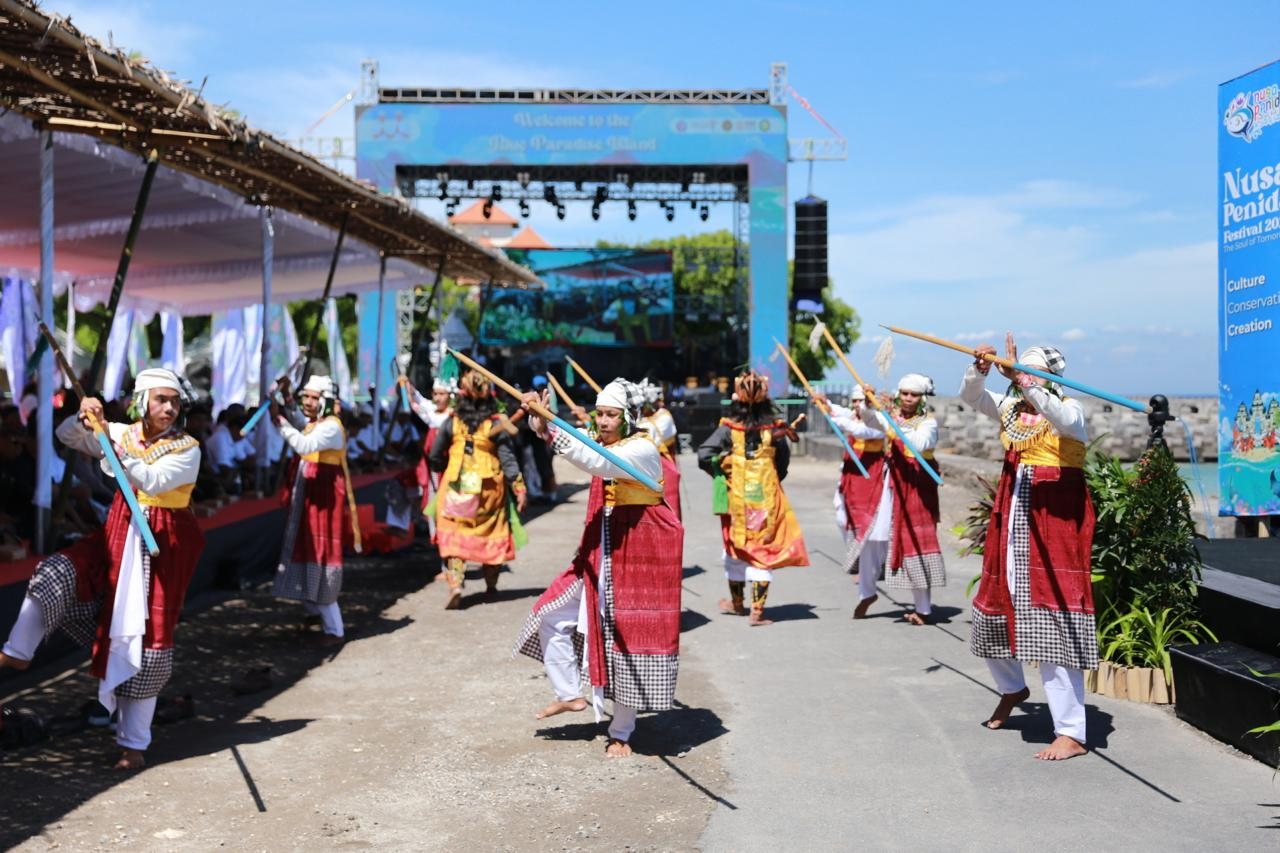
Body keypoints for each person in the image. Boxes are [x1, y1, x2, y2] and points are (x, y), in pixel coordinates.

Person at [0, 368, 205, 770]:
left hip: (163, 544)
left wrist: (110, 441)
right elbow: (67, 438)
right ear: (142, 401)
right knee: (57, 573)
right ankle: (16, 653)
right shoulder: (126, 434)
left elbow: (149, 478)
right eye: (161, 399)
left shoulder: (188, 448)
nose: (169, 407)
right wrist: (84, 417)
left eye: (175, 401)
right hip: (117, 531)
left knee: (149, 644)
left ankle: (133, 745)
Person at [514, 378, 683, 757]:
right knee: (551, 614)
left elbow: (593, 459)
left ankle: (621, 731)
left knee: (626, 638)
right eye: (600, 414)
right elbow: (579, 441)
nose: (603, 421)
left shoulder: (640, 448)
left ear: (627, 418)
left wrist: (553, 423)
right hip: (598, 548)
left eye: (611, 415)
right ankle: (568, 694)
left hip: (636, 552)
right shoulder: (601, 438)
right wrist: (542, 421)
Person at [961, 336, 1096, 761]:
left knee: (1054, 618)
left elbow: (1058, 415)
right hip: (1013, 517)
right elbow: (971, 397)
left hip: (1054, 521)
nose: (1022, 382)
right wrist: (980, 368)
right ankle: (1012, 688)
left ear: (1050, 378)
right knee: (995, 606)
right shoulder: (1011, 408)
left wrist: (1025, 377)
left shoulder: (1070, 411)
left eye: (1034, 376)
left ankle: (1071, 731)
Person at [697, 369, 808, 626]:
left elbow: (704, 454)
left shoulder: (728, 429)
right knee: (763, 549)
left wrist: (722, 467)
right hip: (767, 498)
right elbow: (783, 462)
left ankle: (738, 604)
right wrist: (772, 478)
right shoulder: (774, 429)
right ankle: (757, 610)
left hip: (736, 500)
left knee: (736, 548)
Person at [841, 374, 946, 624]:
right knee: (871, 536)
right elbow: (870, 420)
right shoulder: (890, 416)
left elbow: (919, 443)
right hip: (888, 484)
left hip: (917, 487)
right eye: (905, 394)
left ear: (922, 398)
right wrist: (868, 403)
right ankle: (867, 591)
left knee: (915, 542)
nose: (908, 399)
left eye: (914, 395)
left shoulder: (928, 423)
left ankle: (923, 608)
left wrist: (894, 422)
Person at [428, 370, 526, 608]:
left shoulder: (452, 422)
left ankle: (456, 584)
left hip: (457, 486)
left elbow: (434, 454)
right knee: (491, 533)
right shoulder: (496, 423)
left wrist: (442, 465)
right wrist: (519, 486)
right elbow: (507, 457)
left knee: (454, 533)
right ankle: (491, 585)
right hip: (489, 490)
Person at [269, 374, 352, 645]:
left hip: (323, 499)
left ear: (326, 401)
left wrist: (279, 419)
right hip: (309, 496)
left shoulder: (331, 427)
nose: (307, 402)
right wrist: (286, 396)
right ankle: (312, 611)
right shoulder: (318, 423)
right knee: (305, 548)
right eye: (305, 397)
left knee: (321, 552)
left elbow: (303, 444)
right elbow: (300, 424)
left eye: (313, 398)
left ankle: (334, 628)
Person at [815, 386, 886, 551]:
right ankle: (853, 550)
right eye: (854, 401)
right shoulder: (853, 415)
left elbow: (859, 431)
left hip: (870, 471)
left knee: (868, 512)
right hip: (850, 469)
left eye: (860, 401)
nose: (857, 405)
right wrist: (826, 403)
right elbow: (840, 412)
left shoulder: (879, 419)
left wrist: (831, 415)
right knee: (841, 510)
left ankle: (871, 554)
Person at [402, 375, 454, 518]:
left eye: (442, 394)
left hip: (451, 465)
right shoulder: (431, 411)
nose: (437, 398)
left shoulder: (455, 415)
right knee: (433, 495)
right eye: (435, 394)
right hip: (433, 464)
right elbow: (417, 399)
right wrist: (407, 383)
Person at [638, 379, 682, 520]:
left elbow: (648, 437)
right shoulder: (640, 417)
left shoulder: (664, 416)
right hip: (643, 471)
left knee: (668, 513)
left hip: (663, 469)